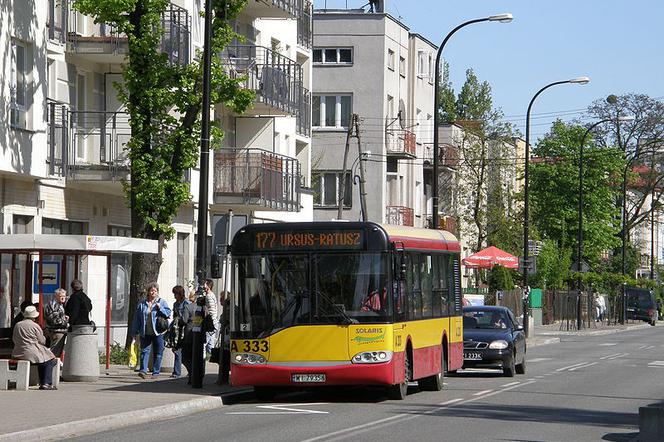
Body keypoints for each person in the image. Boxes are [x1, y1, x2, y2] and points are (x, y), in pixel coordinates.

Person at [130, 282, 172, 379]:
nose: (153, 292)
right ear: (148, 292)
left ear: (157, 292)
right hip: (145, 331)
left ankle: (156, 372)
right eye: (151, 290)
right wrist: (134, 331)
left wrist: (160, 308)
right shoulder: (142, 304)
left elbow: (168, 314)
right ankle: (143, 371)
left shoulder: (161, 302)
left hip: (158, 332)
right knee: (144, 351)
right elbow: (137, 318)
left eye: (155, 291)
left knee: (158, 352)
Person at [12, 306, 58, 390]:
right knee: (49, 361)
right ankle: (46, 383)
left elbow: (14, 339)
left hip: (18, 353)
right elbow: (42, 341)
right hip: (32, 354)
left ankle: (42, 382)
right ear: (34, 316)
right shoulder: (35, 326)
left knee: (42, 359)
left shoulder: (17, 325)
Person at [171, 285, 189, 379]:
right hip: (177, 330)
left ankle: (186, 371)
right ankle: (176, 372)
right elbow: (174, 316)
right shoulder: (175, 304)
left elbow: (188, 317)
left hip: (185, 330)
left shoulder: (186, 303)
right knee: (177, 350)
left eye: (176, 294)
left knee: (184, 352)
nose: (174, 296)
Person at [44, 288, 69, 357]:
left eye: (64, 296)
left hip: (57, 331)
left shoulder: (59, 304)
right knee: (55, 352)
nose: (63, 298)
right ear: (56, 296)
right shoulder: (54, 305)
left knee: (56, 351)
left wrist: (64, 317)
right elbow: (55, 320)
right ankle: (52, 366)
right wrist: (66, 321)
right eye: (61, 296)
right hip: (56, 331)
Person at [204, 279, 219, 355]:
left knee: (203, 345)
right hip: (214, 323)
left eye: (205, 284)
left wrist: (210, 321)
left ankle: (202, 363)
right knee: (210, 346)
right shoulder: (211, 294)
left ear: (208, 286)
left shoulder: (209, 296)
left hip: (210, 324)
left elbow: (212, 311)